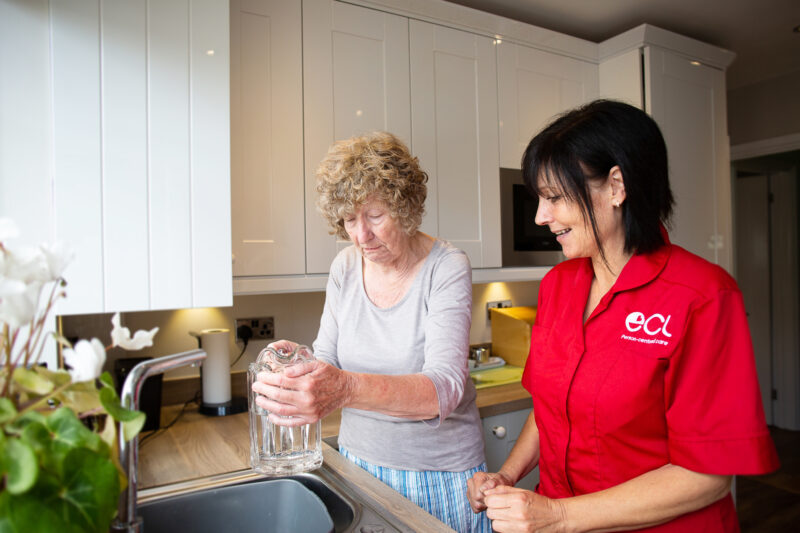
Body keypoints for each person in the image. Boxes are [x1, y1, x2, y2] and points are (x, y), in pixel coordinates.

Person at [467, 99, 780, 532]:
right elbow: (550, 409)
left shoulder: (702, 295)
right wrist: (508, 475)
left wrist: (557, 516)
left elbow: (708, 475)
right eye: (540, 199)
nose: (541, 216)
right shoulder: (558, 285)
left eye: (555, 197)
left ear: (616, 186)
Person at [251, 131, 491, 532]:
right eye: (349, 220)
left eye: (375, 216)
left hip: (439, 474)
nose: (362, 235)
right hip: (357, 465)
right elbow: (327, 359)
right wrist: (300, 363)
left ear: (406, 207)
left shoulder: (446, 267)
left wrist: (343, 389)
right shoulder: (345, 266)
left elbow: (444, 389)